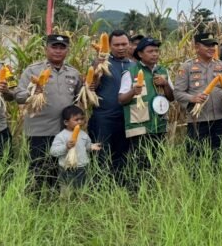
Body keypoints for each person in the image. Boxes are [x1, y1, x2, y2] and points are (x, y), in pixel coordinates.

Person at [15, 34, 82, 188]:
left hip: (64, 132)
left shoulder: (73, 73)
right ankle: (36, 203)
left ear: (67, 50)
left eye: (62, 48)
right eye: (54, 47)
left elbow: (79, 98)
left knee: (59, 171)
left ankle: (54, 203)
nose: (58, 51)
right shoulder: (33, 70)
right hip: (39, 130)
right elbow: (18, 96)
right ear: (46, 49)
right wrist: (34, 91)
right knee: (38, 171)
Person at [118, 37, 174, 172]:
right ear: (140, 54)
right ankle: (136, 191)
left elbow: (171, 97)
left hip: (159, 125)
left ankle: (152, 191)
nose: (154, 54)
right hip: (139, 126)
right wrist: (133, 91)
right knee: (139, 164)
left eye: (156, 51)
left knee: (156, 163)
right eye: (150, 51)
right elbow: (121, 99)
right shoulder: (130, 72)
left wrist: (165, 84)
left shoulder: (163, 71)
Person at [175, 33, 222, 155]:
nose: (212, 48)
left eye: (213, 45)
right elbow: (177, 93)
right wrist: (192, 98)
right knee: (197, 157)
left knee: (221, 155)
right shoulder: (187, 67)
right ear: (197, 47)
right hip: (198, 121)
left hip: (221, 119)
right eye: (207, 45)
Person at [89, 30, 133, 177]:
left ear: (129, 44)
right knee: (101, 154)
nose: (121, 48)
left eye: (124, 44)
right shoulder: (101, 63)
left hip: (127, 117)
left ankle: (120, 186)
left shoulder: (133, 66)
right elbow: (91, 86)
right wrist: (96, 69)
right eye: (117, 45)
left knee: (123, 155)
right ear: (109, 45)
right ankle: (100, 188)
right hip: (104, 117)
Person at [49, 105, 102, 189]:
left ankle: (82, 200)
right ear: (66, 122)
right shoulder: (61, 136)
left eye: (81, 119)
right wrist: (65, 147)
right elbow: (53, 151)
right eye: (76, 120)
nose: (80, 122)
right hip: (66, 168)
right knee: (66, 189)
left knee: (83, 188)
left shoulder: (84, 134)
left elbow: (86, 146)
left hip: (83, 167)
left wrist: (92, 146)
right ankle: (66, 201)